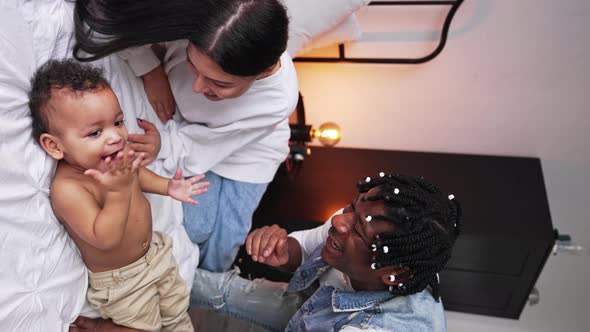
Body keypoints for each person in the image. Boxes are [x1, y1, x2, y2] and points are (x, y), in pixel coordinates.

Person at [73, 0, 299, 272]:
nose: (198, 86)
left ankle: (210, 292)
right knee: (196, 227)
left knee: (223, 244)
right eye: (193, 64)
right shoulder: (201, 17)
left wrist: (163, 145)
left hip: (247, 151)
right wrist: (150, 69)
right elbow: (104, 13)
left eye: (220, 83)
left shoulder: (277, 100)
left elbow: (209, 144)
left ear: (261, 74)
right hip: (195, 129)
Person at [29, 59, 211, 331]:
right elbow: (104, 237)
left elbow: (137, 174)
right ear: (55, 145)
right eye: (95, 132)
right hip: (123, 281)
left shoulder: (115, 159)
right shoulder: (68, 188)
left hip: (156, 254)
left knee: (177, 314)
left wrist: (168, 187)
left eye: (118, 122)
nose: (115, 136)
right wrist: (117, 191)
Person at [188, 172, 463, 331]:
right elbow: (304, 248)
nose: (339, 221)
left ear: (393, 275)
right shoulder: (364, 227)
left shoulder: (381, 327)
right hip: (315, 304)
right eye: (352, 207)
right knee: (223, 291)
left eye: (357, 231)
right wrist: (285, 251)